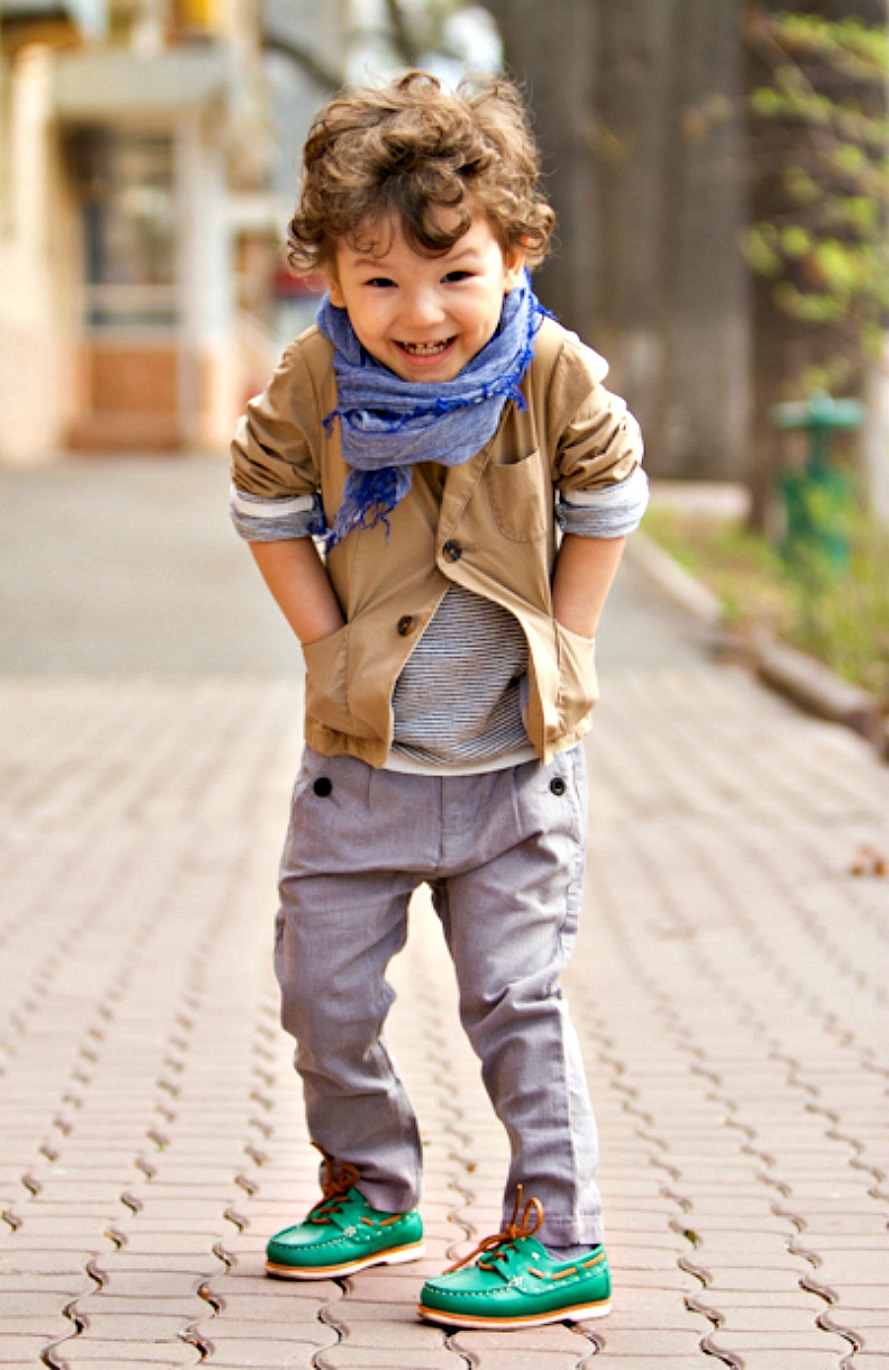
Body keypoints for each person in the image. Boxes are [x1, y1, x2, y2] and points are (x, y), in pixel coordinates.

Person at [229, 70, 647, 1331]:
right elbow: (263, 499)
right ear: (330, 275)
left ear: (515, 254)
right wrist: (327, 648)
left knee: (517, 1002)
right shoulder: (315, 377)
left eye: (455, 273)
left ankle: (558, 1233)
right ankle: (372, 1186)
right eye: (379, 282)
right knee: (322, 994)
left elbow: (610, 490)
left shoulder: (549, 372)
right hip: (360, 767)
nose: (419, 315)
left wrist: (566, 640)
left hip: (512, 770)